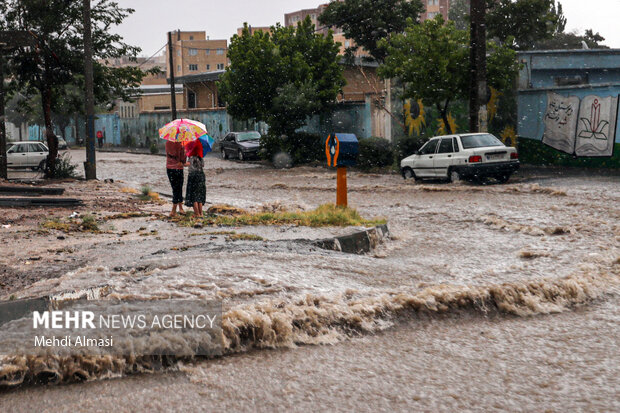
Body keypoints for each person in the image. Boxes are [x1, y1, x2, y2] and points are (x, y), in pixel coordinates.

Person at [165, 140, 188, 217]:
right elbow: (183, 159)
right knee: (178, 188)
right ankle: (174, 210)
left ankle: (180, 208)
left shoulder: (167, 142)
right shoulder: (181, 144)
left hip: (169, 168)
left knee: (174, 188)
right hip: (178, 168)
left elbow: (168, 154)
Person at [184, 140, 206, 218]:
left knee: (193, 196)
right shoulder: (200, 157)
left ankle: (196, 213)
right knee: (199, 195)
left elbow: (186, 164)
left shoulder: (191, 157)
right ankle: (201, 213)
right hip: (201, 176)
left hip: (193, 176)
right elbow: (202, 165)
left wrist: (183, 162)